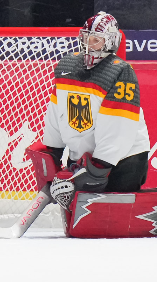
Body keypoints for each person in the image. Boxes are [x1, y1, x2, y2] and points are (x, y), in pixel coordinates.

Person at [41, 12, 151, 209]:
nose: (88, 46)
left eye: (96, 41)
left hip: (124, 162)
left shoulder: (119, 71)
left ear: (110, 42)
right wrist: (53, 152)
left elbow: (118, 126)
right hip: (84, 162)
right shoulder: (67, 66)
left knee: (109, 218)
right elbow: (57, 111)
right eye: (85, 39)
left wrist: (98, 169)